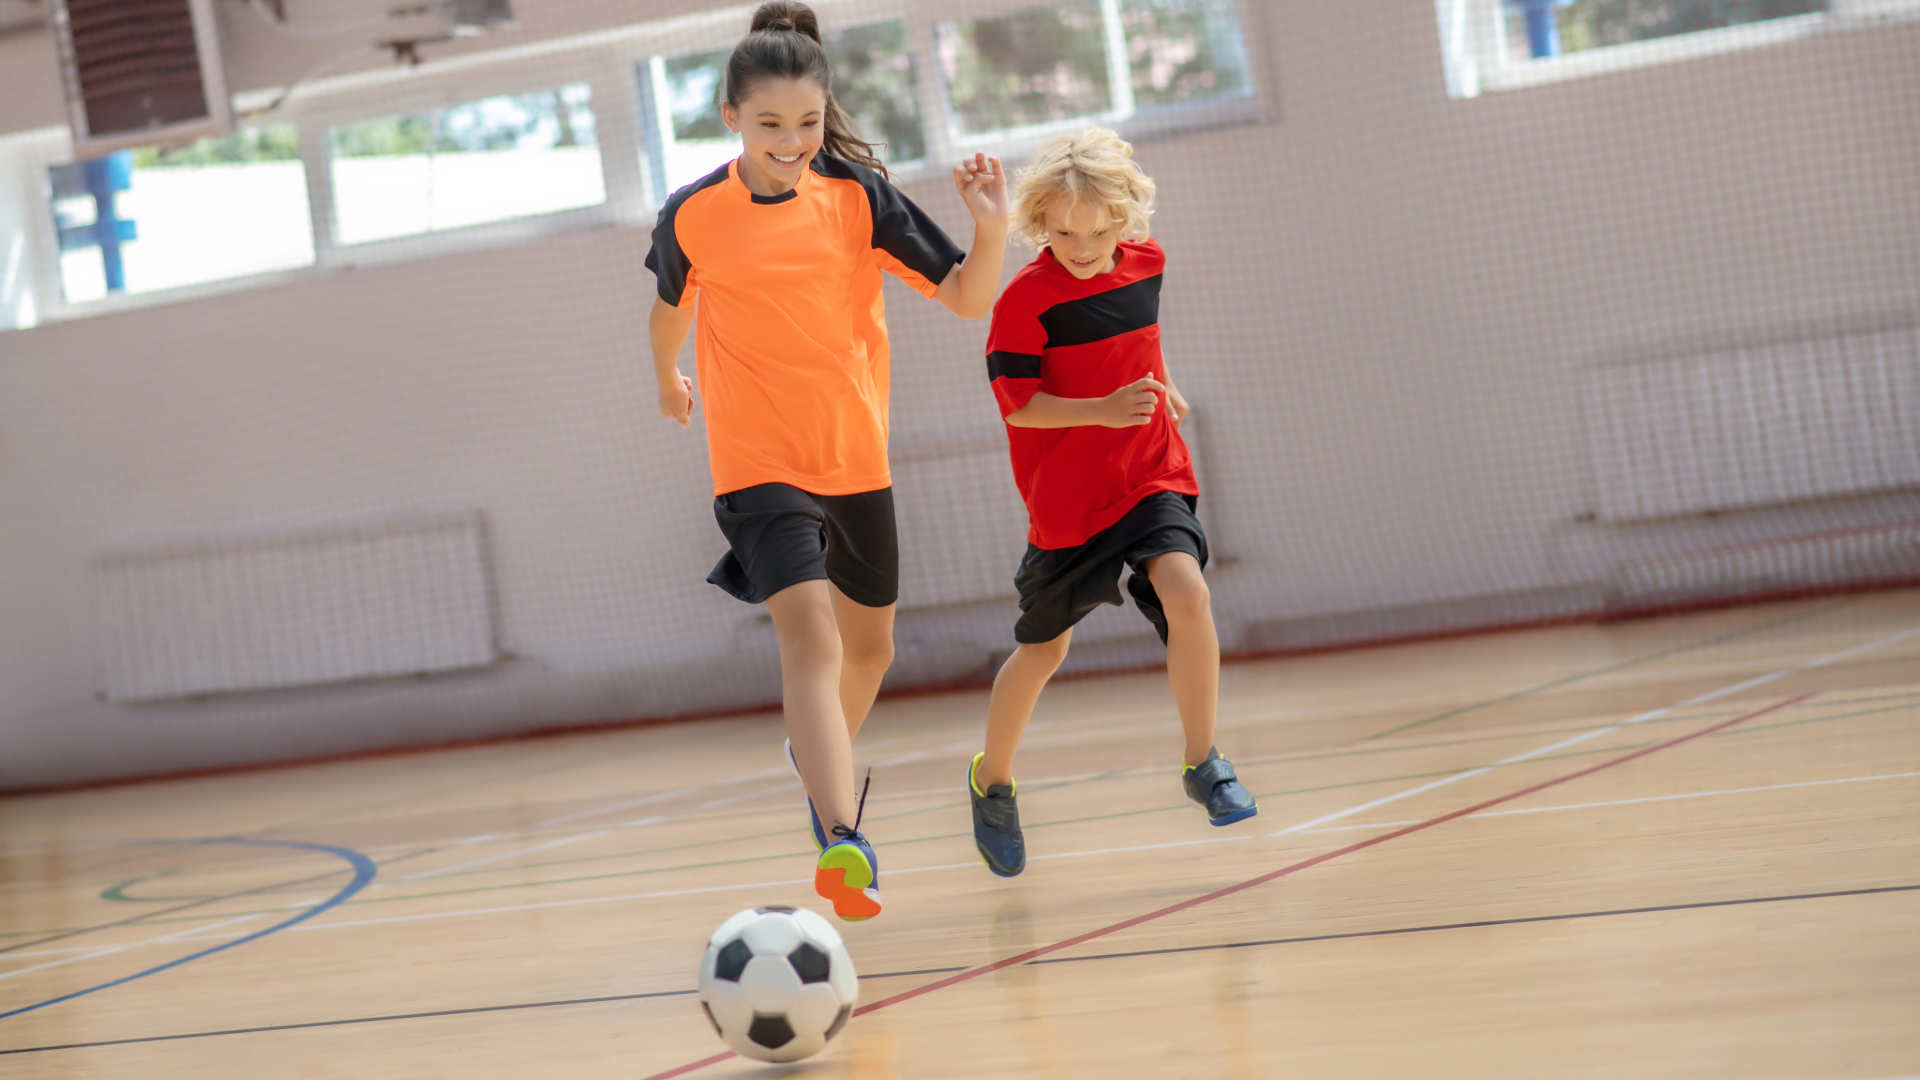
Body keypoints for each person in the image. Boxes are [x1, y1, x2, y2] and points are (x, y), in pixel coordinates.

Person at [645, 1, 1009, 920]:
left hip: (854, 457)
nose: (792, 140)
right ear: (731, 117)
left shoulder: (856, 198)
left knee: (872, 649)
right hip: (756, 461)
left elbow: (968, 298)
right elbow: (670, 303)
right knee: (809, 636)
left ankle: (817, 764)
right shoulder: (694, 215)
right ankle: (843, 840)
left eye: (808, 122)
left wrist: (991, 225)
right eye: (771, 123)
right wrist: (667, 375)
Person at [967, 128, 1256, 878]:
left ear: (1124, 220)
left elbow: (1143, 338)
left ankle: (1204, 762)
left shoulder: (1148, 264)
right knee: (1043, 652)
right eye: (1063, 232)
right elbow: (1021, 409)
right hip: (1068, 503)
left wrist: (1166, 383)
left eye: (1097, 232)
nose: (1082, 246)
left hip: (1149, 471)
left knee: (1187, 592)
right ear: (1040, 223)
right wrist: (1101, 407)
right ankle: (991, 780)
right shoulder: (1022, 303)